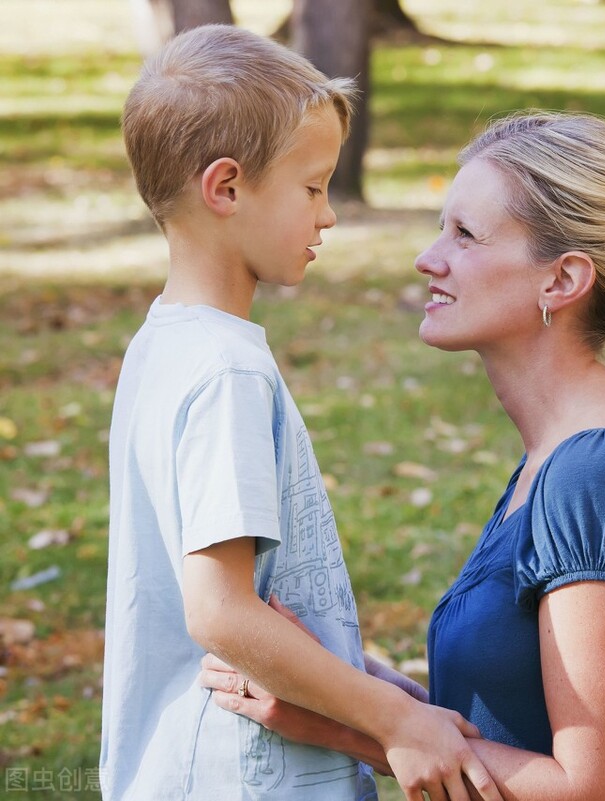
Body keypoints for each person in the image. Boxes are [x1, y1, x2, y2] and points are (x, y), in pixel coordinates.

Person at [201, 110, 605, 800]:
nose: (429, 258)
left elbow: (590, 789)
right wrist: (348, 683)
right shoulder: (555, 462)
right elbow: (516, 722)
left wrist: (346, 728)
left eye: (465, 234)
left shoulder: (600, 471)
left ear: (562, 280)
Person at [102, 24, 499, 801]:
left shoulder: (164, 345)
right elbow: (221, 611)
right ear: (226, 188)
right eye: (312, 187)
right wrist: (398, 720)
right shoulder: (227, 370)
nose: (328, 216)